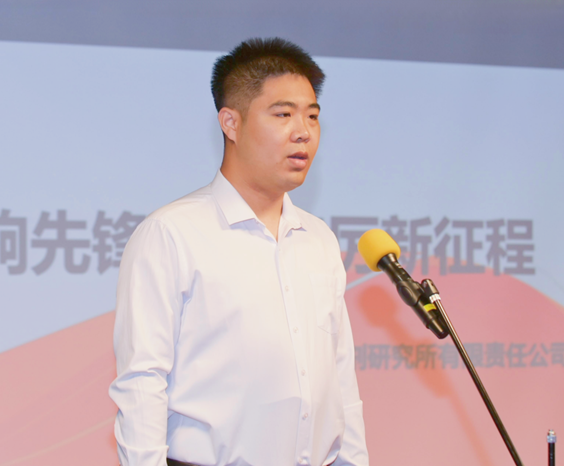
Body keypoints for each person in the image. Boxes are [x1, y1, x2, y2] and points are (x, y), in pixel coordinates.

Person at [109, 37, 369, 466]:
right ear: (231, 123)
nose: (303, 132)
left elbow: (341, 379)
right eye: (283, 114)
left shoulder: (318, 239)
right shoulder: (171, 234)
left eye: (312, 116)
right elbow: (142, 381)